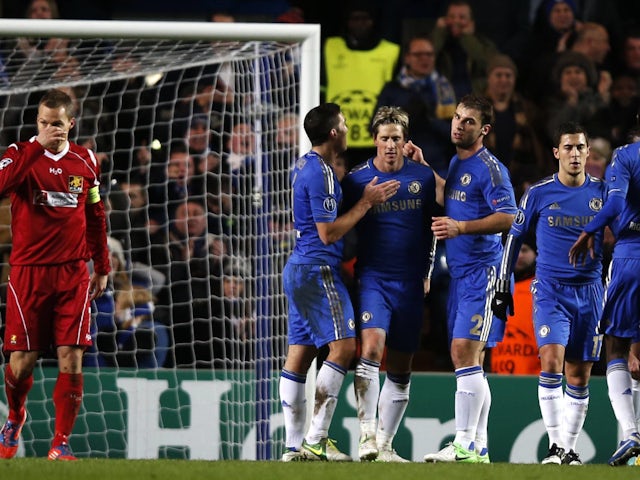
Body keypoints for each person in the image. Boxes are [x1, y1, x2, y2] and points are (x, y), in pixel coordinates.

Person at [279, 103, 400, 462]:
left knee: (298, 356)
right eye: (345, 124)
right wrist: (365, 202)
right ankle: (316, 439)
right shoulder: (323, 173)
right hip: (318, 269)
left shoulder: (302, 164)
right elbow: (329, 233)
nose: (348, 128)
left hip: (299, 267)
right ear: (334, 133)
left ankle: (292, 447)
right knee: (345, 348)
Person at [0, 88, 110, 461]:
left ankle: (60, 442)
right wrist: (36, 147)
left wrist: (103, 266)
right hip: (29, 273)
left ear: (71, 123)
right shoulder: (18, 154)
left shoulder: (86, 161)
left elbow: (95, 216)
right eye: (45, 124)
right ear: (37, 123)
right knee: (23, 361)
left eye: (58, 124)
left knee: (72, 356)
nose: (51, 130)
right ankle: (15, 416)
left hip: (73, 274)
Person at [492, 122, 606, 465]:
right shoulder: (539, 192)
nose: (574, 154)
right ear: (557, 153)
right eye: (568, 148)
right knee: (552, 361)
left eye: (580, 148)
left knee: (579, 374)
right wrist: (502, 285)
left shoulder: (604, 193)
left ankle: (569, 449)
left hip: (590, 292)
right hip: (550, 291)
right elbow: (513, 237)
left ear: (588, 153)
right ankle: (556, 447)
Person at [341, 106, 441, 462]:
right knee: (370, 350)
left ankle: (385, 446)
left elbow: (440, 217)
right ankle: (366, 434)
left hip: (411, 283)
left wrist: (428, 271)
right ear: (374, 140)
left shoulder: (423, 178)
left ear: (405, 141)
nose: (390, 145)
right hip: (374, 280)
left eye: (396, 139)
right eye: (384, 138)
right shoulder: (357, 180)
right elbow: (338, 224)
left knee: (400, 368)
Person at [422, 93, 516, 463]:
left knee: (464, 351)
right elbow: (453, 195)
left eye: (469, 122)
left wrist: (462, 227)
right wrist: (425, 166)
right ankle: (478, 447)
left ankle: (463, 443)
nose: (459, 125)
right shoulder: (458, 162)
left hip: (484, 272)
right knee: (468, 357)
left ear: (485, 129)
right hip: (462, 276)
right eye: (457, 118)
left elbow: (509, 216)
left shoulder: (491, 168)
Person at [569, 133, 640, 466]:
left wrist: (590, 230)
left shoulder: (626, 156)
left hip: (631, 256)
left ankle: (630, 432)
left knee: (617, 347)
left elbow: (613, 204)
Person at [322, 0, 400, 168]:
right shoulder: (331, 47)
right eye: (355, 19)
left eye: (365, 19)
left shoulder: (391, 51)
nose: (360, 24)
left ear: (373, 21)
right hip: (339, 139)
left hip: (376, 140)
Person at [375, 35, 456, 178]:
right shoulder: (392, 89)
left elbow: (456, 133)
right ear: (407, 58)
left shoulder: (445, 89)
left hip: (439, 168)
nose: (425, 59)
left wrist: (431, 121)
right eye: (418, 55)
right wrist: (405, 120)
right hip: (400, 169)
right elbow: (375, 127)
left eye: (429, 54)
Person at [489, 240, 541, 375]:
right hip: (497, 377)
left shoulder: (542, 289)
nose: (519, 255)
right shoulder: (493, 288)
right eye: (514, 250)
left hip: (535, 379)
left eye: (524, 250)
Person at [430, 0, 499, 100]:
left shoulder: (484, 43)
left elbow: (489, 64)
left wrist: (467, 38)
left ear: (471, 22)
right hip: (442, 99)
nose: (456, 21)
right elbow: (426, 58)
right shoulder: (437, 40)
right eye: (451, 17)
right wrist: (439, 33)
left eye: (462, 17)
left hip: (474, 98)